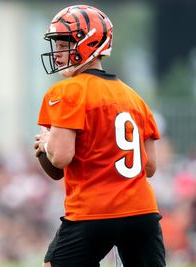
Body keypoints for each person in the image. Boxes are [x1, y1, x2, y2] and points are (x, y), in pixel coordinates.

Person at [33, 4, 166, 267]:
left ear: (88, 43)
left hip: (93, 212)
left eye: (63, 45)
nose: (58, 54)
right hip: (142, 213)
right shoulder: (135, 98)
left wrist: (47, 143)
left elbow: (60, 159)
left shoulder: (68, 91)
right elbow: (149, 167)